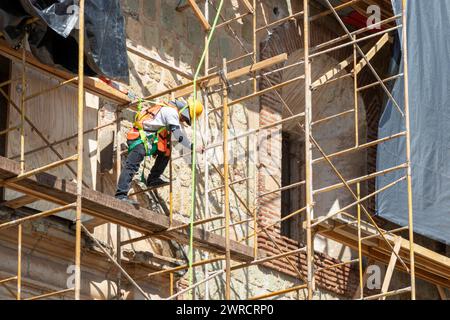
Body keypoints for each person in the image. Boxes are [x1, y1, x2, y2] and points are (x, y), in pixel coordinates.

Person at [115, 98, 204, 204]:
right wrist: (192, 146)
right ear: (184, 110)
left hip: (146, 140)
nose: (183, 120)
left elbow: (175, 138)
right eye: (185, 118)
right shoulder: (171, 112)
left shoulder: (170, 111)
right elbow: (178, 135)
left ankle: (153, 178)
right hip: (138, 138)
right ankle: (120, 196)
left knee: (166, 151)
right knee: (132, 165)